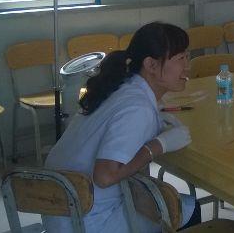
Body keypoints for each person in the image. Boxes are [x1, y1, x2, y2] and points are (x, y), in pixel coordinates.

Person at [44, 22, 199, 233]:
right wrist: (158, 145)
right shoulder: (138, 107)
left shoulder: (121, 86)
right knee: (187, 209)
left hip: (61, 211)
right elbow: (105, 176)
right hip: (89, 221)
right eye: (181, 58)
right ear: (151, 65)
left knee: (172, 204)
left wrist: (156, 120)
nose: (187, 66)